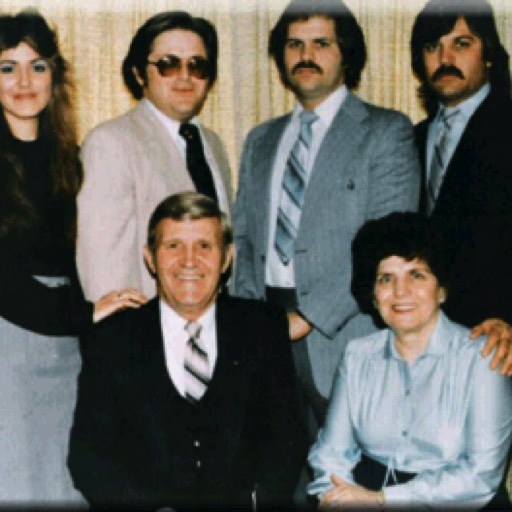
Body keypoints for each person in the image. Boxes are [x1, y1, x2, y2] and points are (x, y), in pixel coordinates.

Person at [233, 0, 420, 430]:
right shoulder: (261, 140)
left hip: (343, 331)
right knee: (280, 479)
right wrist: (250, 321)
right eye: (294, 44)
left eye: (321, 43)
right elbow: (241, 238)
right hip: (266, 334)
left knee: (353, 480)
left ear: (346, 53)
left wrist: (308, 317)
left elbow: (388, 247)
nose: (306, 55)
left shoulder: (385, 132)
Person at [68, 192, 305, 510]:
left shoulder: (263, 327)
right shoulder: (112, 339)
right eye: (173, 246)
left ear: (226, 258)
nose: (189, 261)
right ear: (150, 257)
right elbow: (89, 458)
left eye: (204, 246)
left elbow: (287, 439)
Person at [0, 11, 145, 503]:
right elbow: (8, 285)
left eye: (37, 66)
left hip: (66, 345)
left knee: (67, 482)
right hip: (10, 345)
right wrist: (87, 313)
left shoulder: (69, 156)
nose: (24, 81)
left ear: (54, 77)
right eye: (7, 67)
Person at [308, 212, 512, 510]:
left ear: (442, 289)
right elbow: (330, 455)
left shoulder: (482, 358)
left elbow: (481, 476)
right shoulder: (357, 356)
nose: (400, 292)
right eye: (386, 279)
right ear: (374, 296)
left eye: (416, 275)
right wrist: (336, 497)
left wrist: (384, 500)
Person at [76, 11, 232, 302]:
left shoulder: (213, 145)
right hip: (148, 336)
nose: (185, 76)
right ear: (138, 73)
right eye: (168, 65)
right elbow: (104, 273)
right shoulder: (111, 143)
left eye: (197, 66)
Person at [411, 0, 512, 342]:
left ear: (489, 54)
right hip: (424, 337)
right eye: (432, 47)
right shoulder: (410, 138)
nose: (445, 59)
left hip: (496, 339)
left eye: (461, 44)